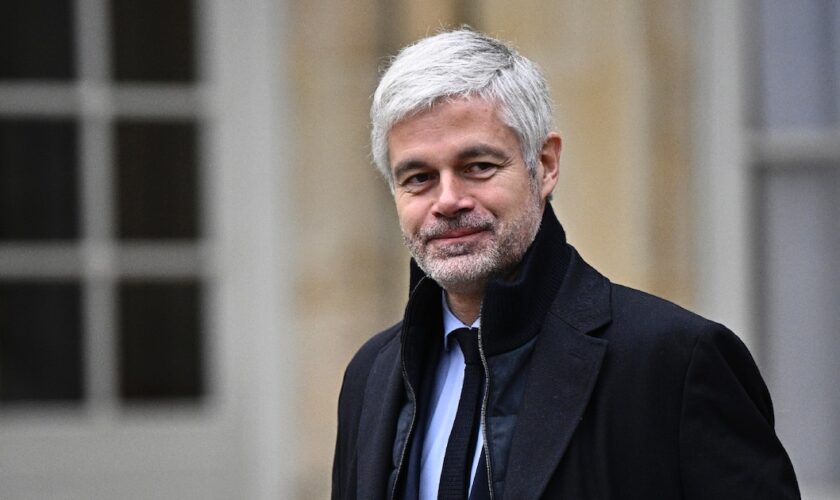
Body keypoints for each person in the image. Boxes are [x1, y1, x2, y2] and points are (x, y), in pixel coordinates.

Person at [332, 28, 799, 500]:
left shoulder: (676, 362)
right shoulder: (372, 374)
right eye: (419, 177)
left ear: (546, 164)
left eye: (478, 167)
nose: (448, 200)